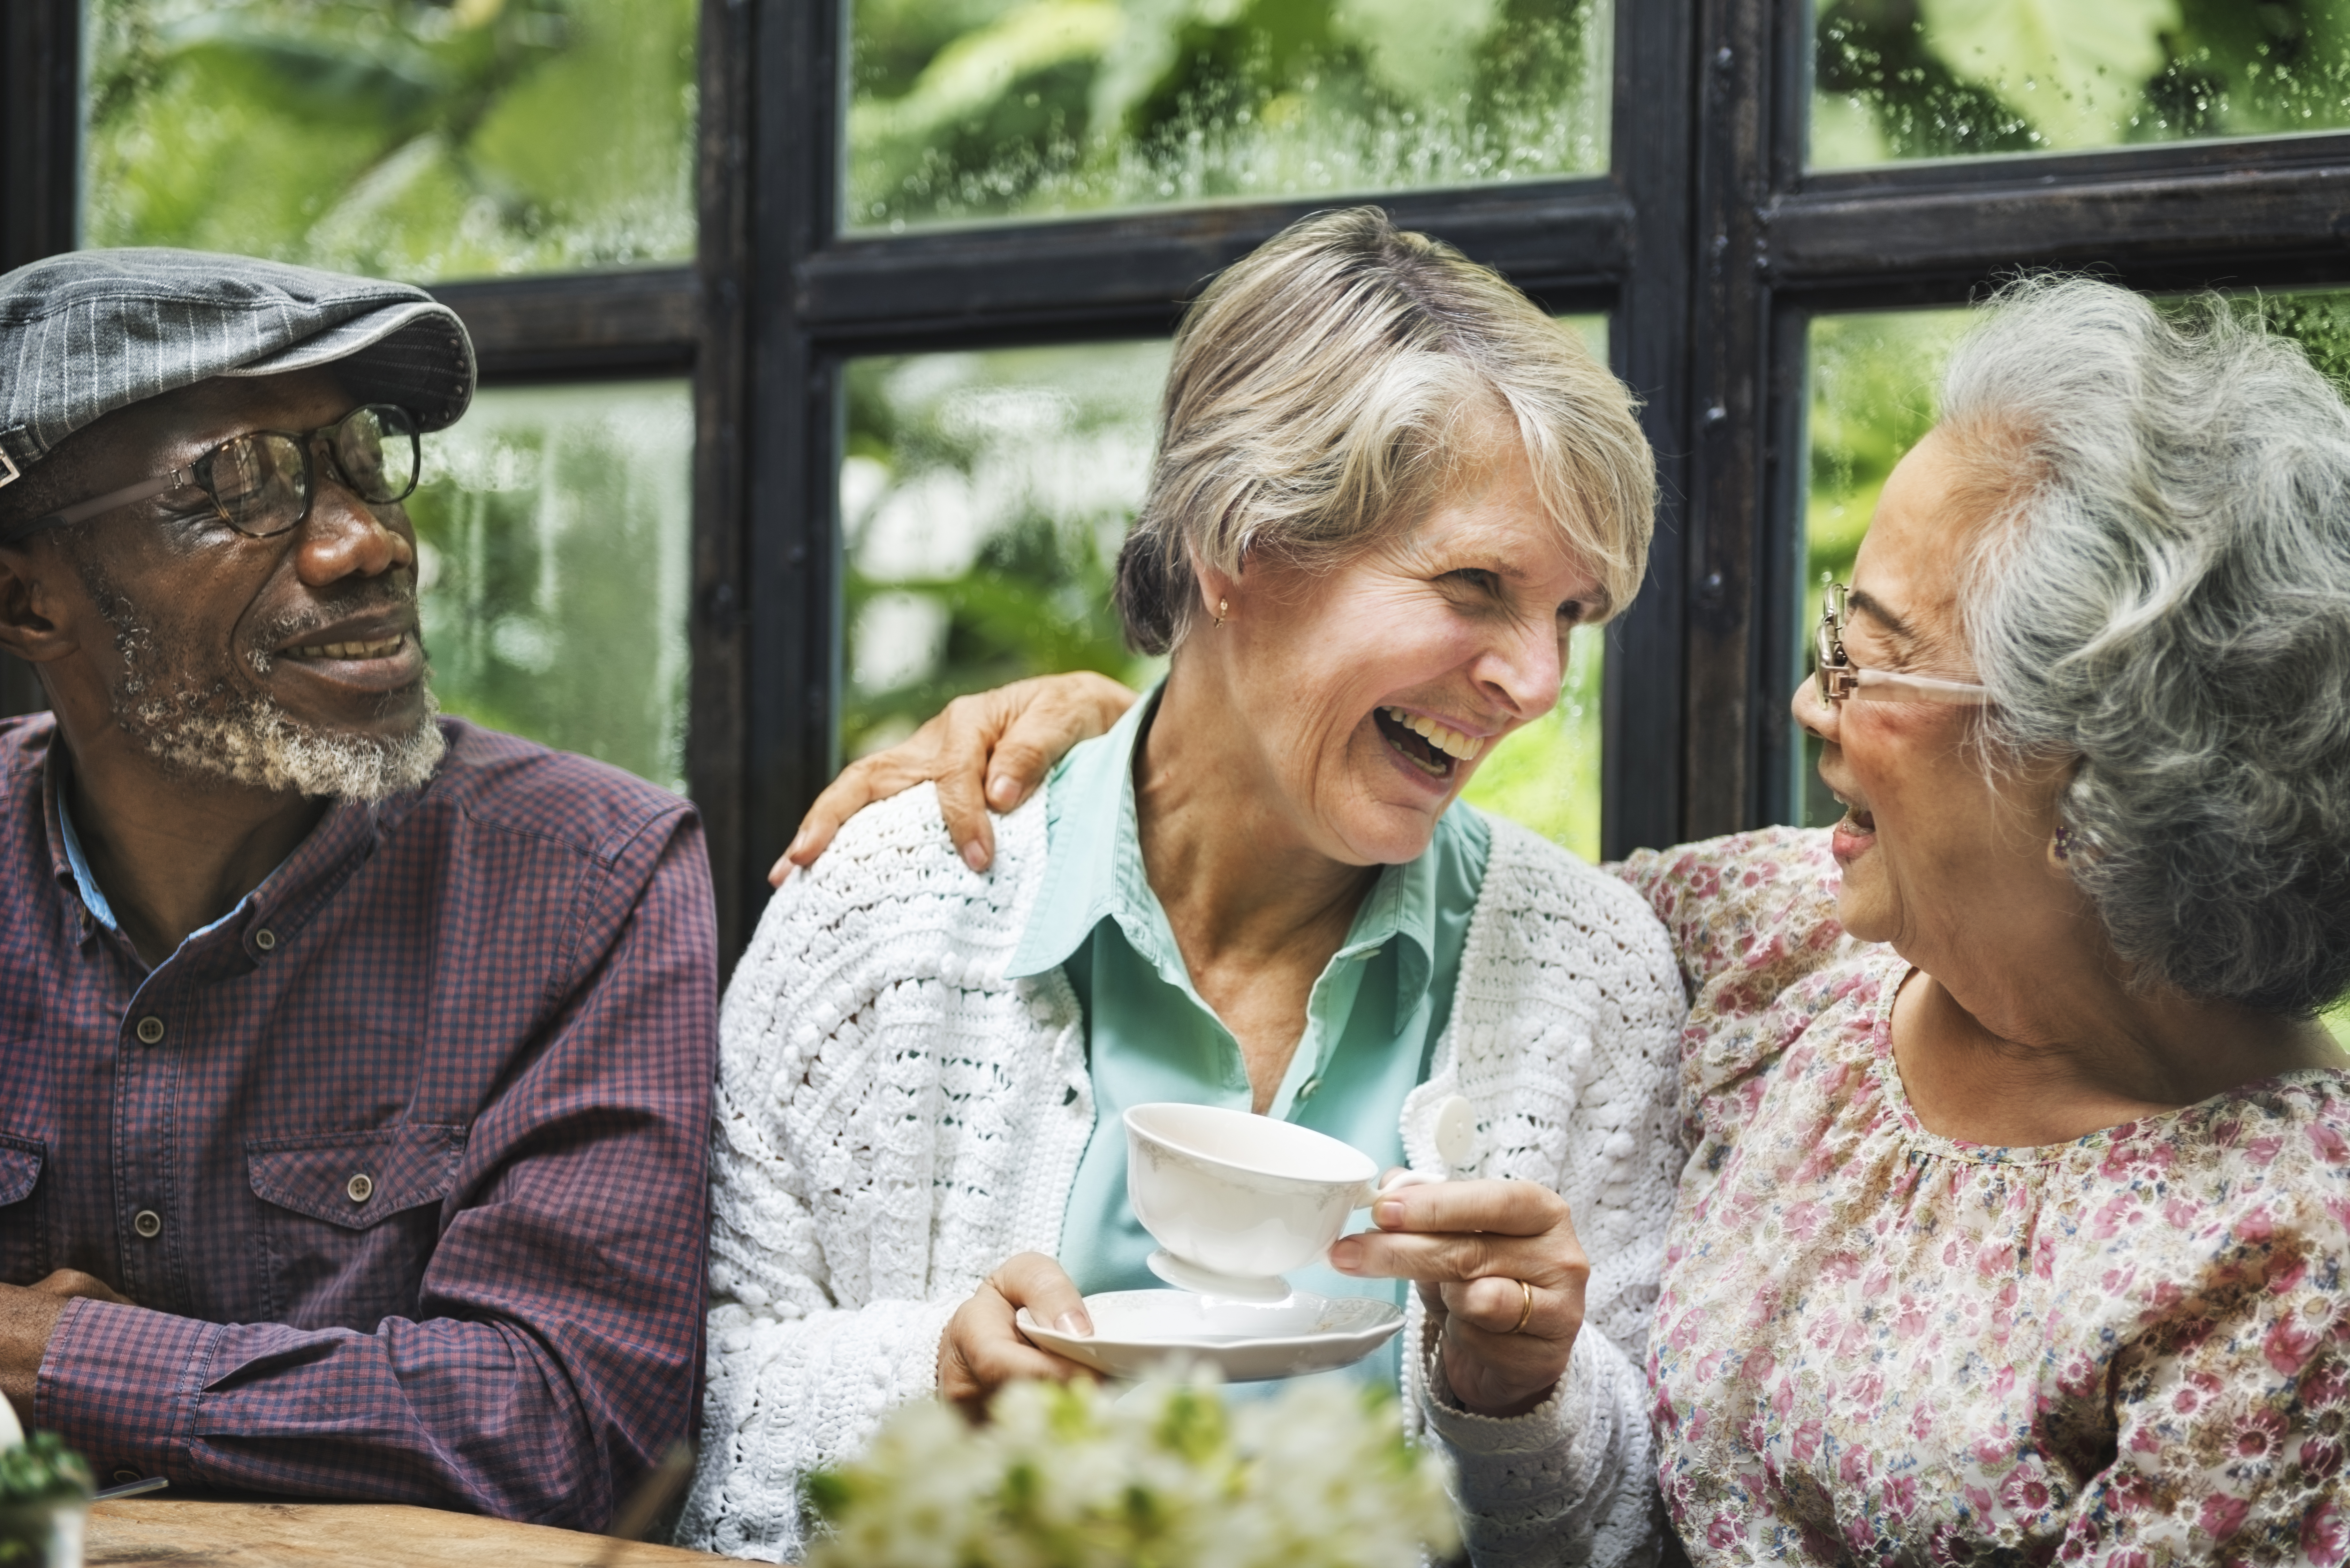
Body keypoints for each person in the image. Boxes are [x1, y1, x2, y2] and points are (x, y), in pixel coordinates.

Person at [787, 276, 2350, 1561]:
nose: (1810, 699)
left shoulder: (2285, 1260)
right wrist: (1098, 730)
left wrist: (1520, 1391)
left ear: (2084, 770)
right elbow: (1320, 836)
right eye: (1830, 636)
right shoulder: (1782, 941)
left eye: (1868, 659)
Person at [678, 208, 1687, 1566]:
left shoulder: (1593, 970)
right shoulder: (887, 909)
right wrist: (929, 1387)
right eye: (1475, 585)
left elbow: (1636, 1526)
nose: (1539, 684)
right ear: (1238, 543)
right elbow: (685, 1411)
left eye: (1571, 613)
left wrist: (1528, 1398)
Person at [0, 248, 716, 1531]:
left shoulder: (591, 877)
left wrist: (55, 1360)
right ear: (23, 595)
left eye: (361, 462)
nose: (369, 541)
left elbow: (568, 1428)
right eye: (244, 486)